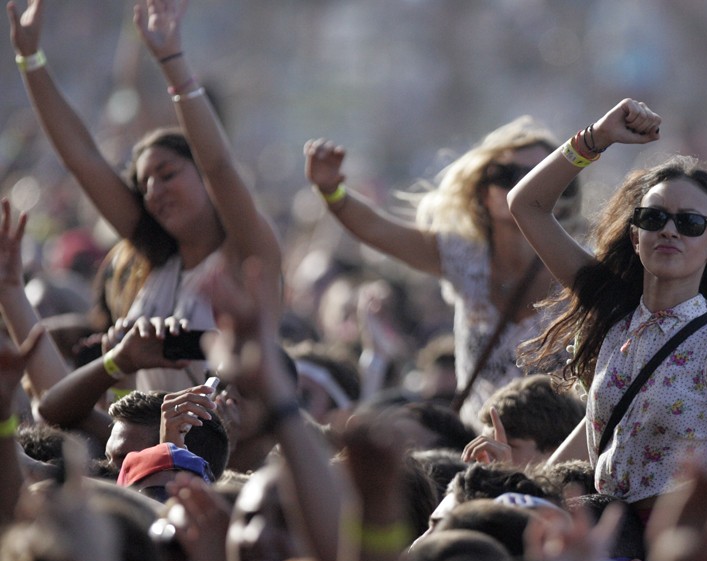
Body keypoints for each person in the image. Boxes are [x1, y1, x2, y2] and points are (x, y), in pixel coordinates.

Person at [507, 99, 707, 512]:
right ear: (635, 237)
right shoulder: (614, 313)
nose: (669, 230)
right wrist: (597, 137)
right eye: (653, 218)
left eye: (689, 223)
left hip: (679, 549)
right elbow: (526, 204)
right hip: (604, 539)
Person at [7, 0, 282, 393]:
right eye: (144, 183)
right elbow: (82, 159)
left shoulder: (247, 253)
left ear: (204, 178)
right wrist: (30, 58)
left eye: (167, 174)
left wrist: (172, 60)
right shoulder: (160, 260)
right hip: (150, 448)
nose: (154, 191)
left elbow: (220, 166)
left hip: (227, 450)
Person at [303, 115, 582, 426]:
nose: (519, 185)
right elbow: (376, 229)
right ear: (482, 190)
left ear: (562, 193)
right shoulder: (462, 257)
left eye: (536, 175)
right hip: (478, 446)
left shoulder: (580, 266)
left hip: (556, 455)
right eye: (504, 174)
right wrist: (332, 192)